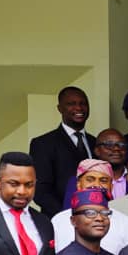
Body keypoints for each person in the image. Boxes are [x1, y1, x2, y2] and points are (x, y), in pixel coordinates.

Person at [52, 160, 128, 255]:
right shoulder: (58, 220)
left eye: (103, 181)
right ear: (78, 185)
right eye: (90, 179)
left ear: (111, 187)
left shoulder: (127, 224)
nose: (97, 185)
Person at [30, 86, 94, 217]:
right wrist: (68, 216)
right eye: (71, 104)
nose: (79, 108)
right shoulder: (43, 144)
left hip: (96, 218)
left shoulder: (96, 143)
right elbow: (40, 191)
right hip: (60, 220)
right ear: (60, 108)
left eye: (83, 103)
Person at [62, 127, 127, 206]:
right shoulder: (77, 181)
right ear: (97, 150)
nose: (116, 148)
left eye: (121, 145)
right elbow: (69, 211)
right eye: (109, 145)